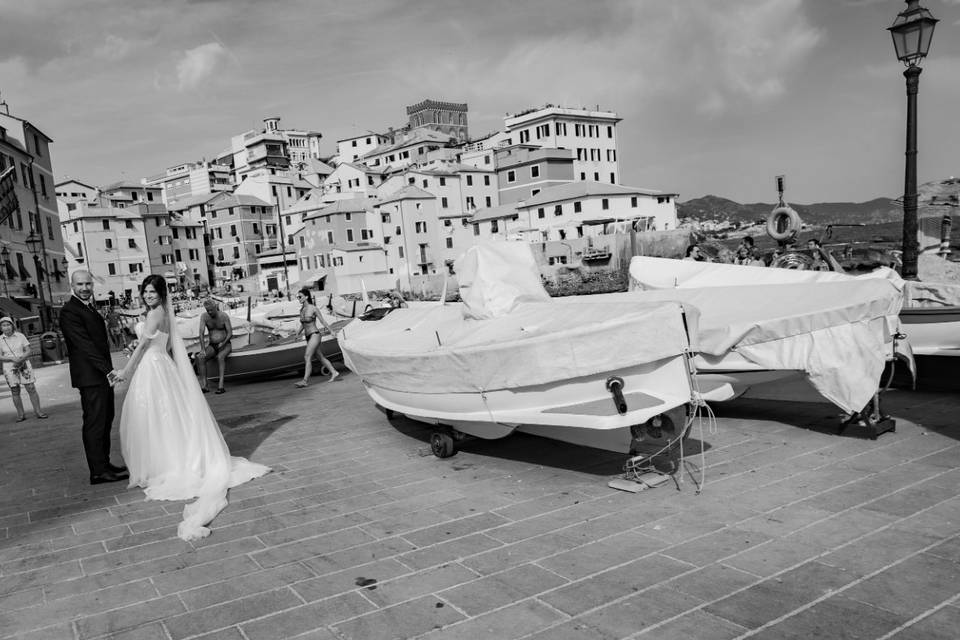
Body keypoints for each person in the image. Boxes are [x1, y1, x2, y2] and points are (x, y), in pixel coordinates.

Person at [114, 275, 270, 541]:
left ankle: (166, 465)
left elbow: (142, 346)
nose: (148, 295)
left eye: (153, 291)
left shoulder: (156, 313)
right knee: (165, 419)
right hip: (159, 365)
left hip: (152, 367)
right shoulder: (158, 313)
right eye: (146, 291)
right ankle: (166, 461)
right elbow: (156, 344)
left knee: (156, 418)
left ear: (162, 294)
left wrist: (125, 371)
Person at [60, 270, 128, 485]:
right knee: (95, 423)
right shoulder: (69, 311)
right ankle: (98, 472)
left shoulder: (88, 307)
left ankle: (104, 464)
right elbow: (85, 345)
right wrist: (108, 370)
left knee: (105, 420)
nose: (85, 288)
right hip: (91, 377)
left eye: (88, 284)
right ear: (72, 285)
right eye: (80, 284)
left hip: (100, 376)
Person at [0, 317, 48, 422]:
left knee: (31, 387)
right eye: (4, 325)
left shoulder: (20, 336)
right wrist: (11, 358)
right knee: (15, 390)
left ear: (12, 325)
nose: (6, 327)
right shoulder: (0, 339)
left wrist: (21, 358)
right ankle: (21, 415)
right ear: (1, 328)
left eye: (8, 325)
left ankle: (38, 412)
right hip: (10, 367)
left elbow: (28, 350)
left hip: (24, 364)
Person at [294, 287, 339, 387]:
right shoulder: (302, 309)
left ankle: (305, 381)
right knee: (320, 356)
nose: (299, 298)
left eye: (300, 296)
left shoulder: (313, 308)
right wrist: (297, 333)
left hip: (315, 334)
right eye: (297, 297)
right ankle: (334, 372)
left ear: (306, 297)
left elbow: (322, 321)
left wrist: (331, 331)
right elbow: (303, 324)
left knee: (307, 356)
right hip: (308, 336)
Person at [197, 298, 233, 394]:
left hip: (226, 344)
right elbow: (201, 333)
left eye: (211, 310)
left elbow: (230, 333)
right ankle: (205, 386)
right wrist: (203, 349)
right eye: (207, 310)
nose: (209, 312)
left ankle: (221, 386)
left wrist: (223, 343)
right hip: (212, 345)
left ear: (215, 307)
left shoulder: (224, 316)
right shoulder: (204, 317)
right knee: (201, 358)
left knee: (220, 357)